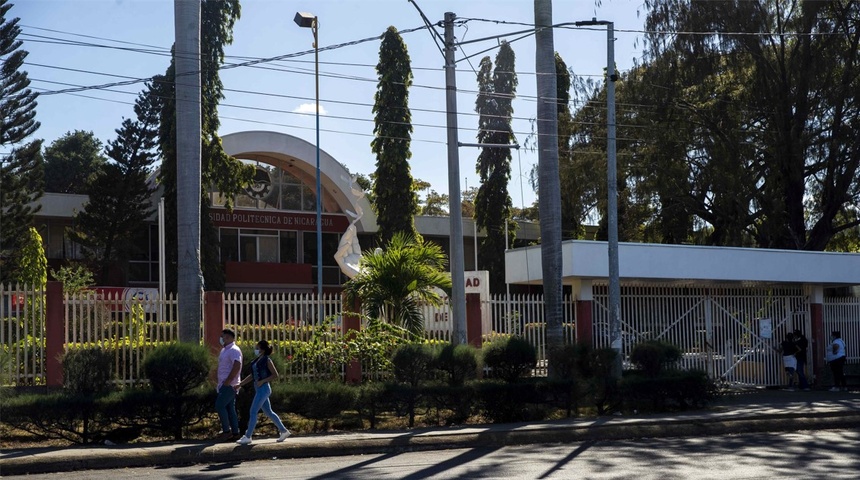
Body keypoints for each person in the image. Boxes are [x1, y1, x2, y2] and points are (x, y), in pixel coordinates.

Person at [235, 340, 291, 445]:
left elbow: (275, 375)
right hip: (259, 388)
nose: (255, 349)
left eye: (257, 348)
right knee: (268, 412)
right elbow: (252, 376)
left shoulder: (267, 360)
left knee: (253, 411)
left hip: (263, 389)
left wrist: (263, 381)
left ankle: (248, 436)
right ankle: (284, 431)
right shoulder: (257, 360)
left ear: (263, 350)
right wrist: (240, 384)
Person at [215, 328, 243, 441]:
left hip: (230, 385)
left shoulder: (234, 350)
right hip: (224, 384)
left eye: (223, 336)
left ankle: (227, 431)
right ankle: (235, 432)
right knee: (230, 408)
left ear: (230, 337)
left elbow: (237, 365)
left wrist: (228, 380)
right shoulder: (224, 350)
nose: (221, 339)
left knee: (220, 405)